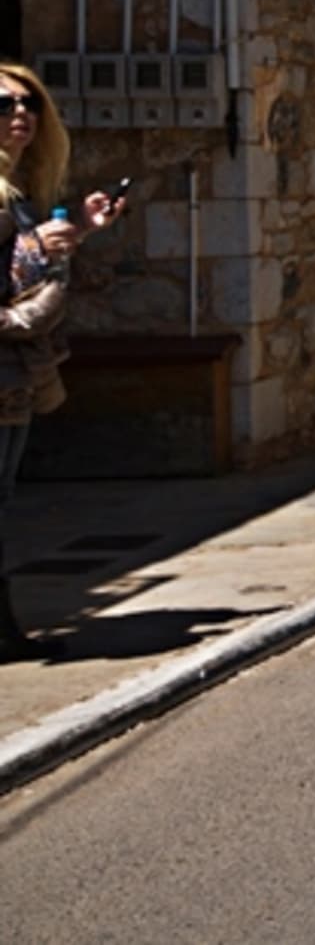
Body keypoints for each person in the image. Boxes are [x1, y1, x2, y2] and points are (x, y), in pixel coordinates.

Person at [0, 60, 125, 661]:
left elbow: (22, 268)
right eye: (4, 104)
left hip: (14, 372)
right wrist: (36, 246)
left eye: (29, 104)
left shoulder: (20, 192)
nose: (20, 113)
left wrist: (77, 225)